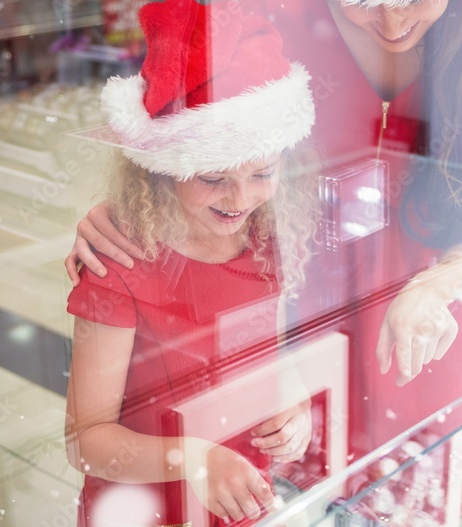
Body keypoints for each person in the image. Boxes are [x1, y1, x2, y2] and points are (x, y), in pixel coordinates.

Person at [68, 0, 462, 519]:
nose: (392, 25)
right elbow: (185, 117)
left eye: (413, 0)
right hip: (303, 328)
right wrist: (131, 207)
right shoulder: (271, 15)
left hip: (420, 340)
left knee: (412, 497)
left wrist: (432, 289)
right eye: (363, 5)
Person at [63, 1, 319, 525]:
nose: (241, 198)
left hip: (236, 490)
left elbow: (266, 356)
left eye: (262, 174)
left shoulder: (268, 238)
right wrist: (194, 458)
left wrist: (295, 406)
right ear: (163, 169)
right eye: (212, 177)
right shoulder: (121, 263)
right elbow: (85, 442)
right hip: (147, 502)